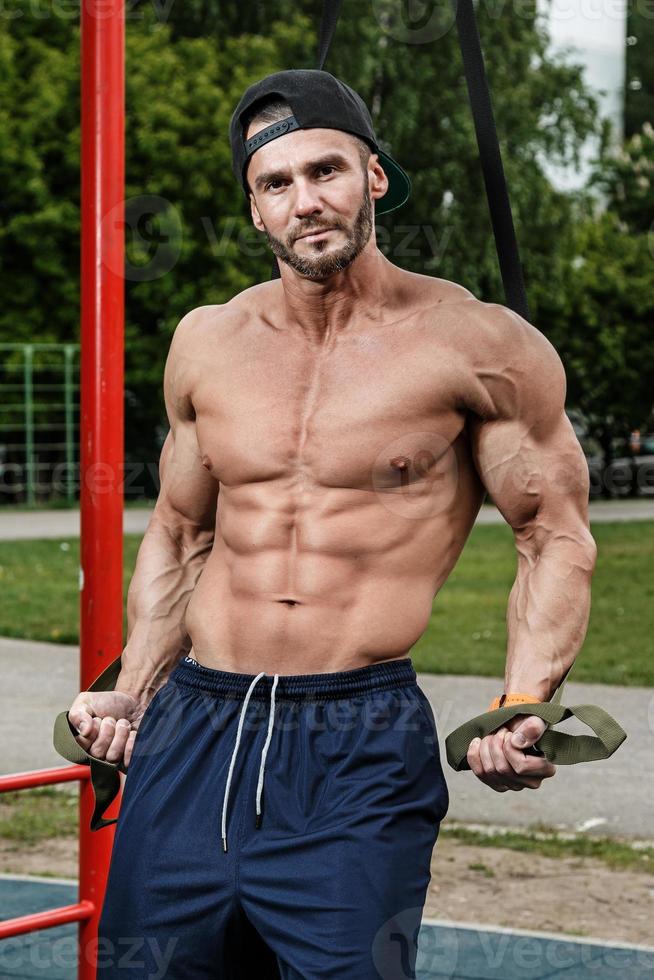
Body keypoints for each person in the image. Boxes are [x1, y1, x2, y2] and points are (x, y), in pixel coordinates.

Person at [67, 69, 596, 979]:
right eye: (277, 184)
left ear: (375, 177)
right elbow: (183, 533)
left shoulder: (478, 345)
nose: (306, 202)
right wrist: (132, 690)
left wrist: (522, 706)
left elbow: (553, 535)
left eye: (327, 171)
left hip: (354, 744)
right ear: (254, 210)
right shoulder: (206, 341)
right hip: (195, 729)